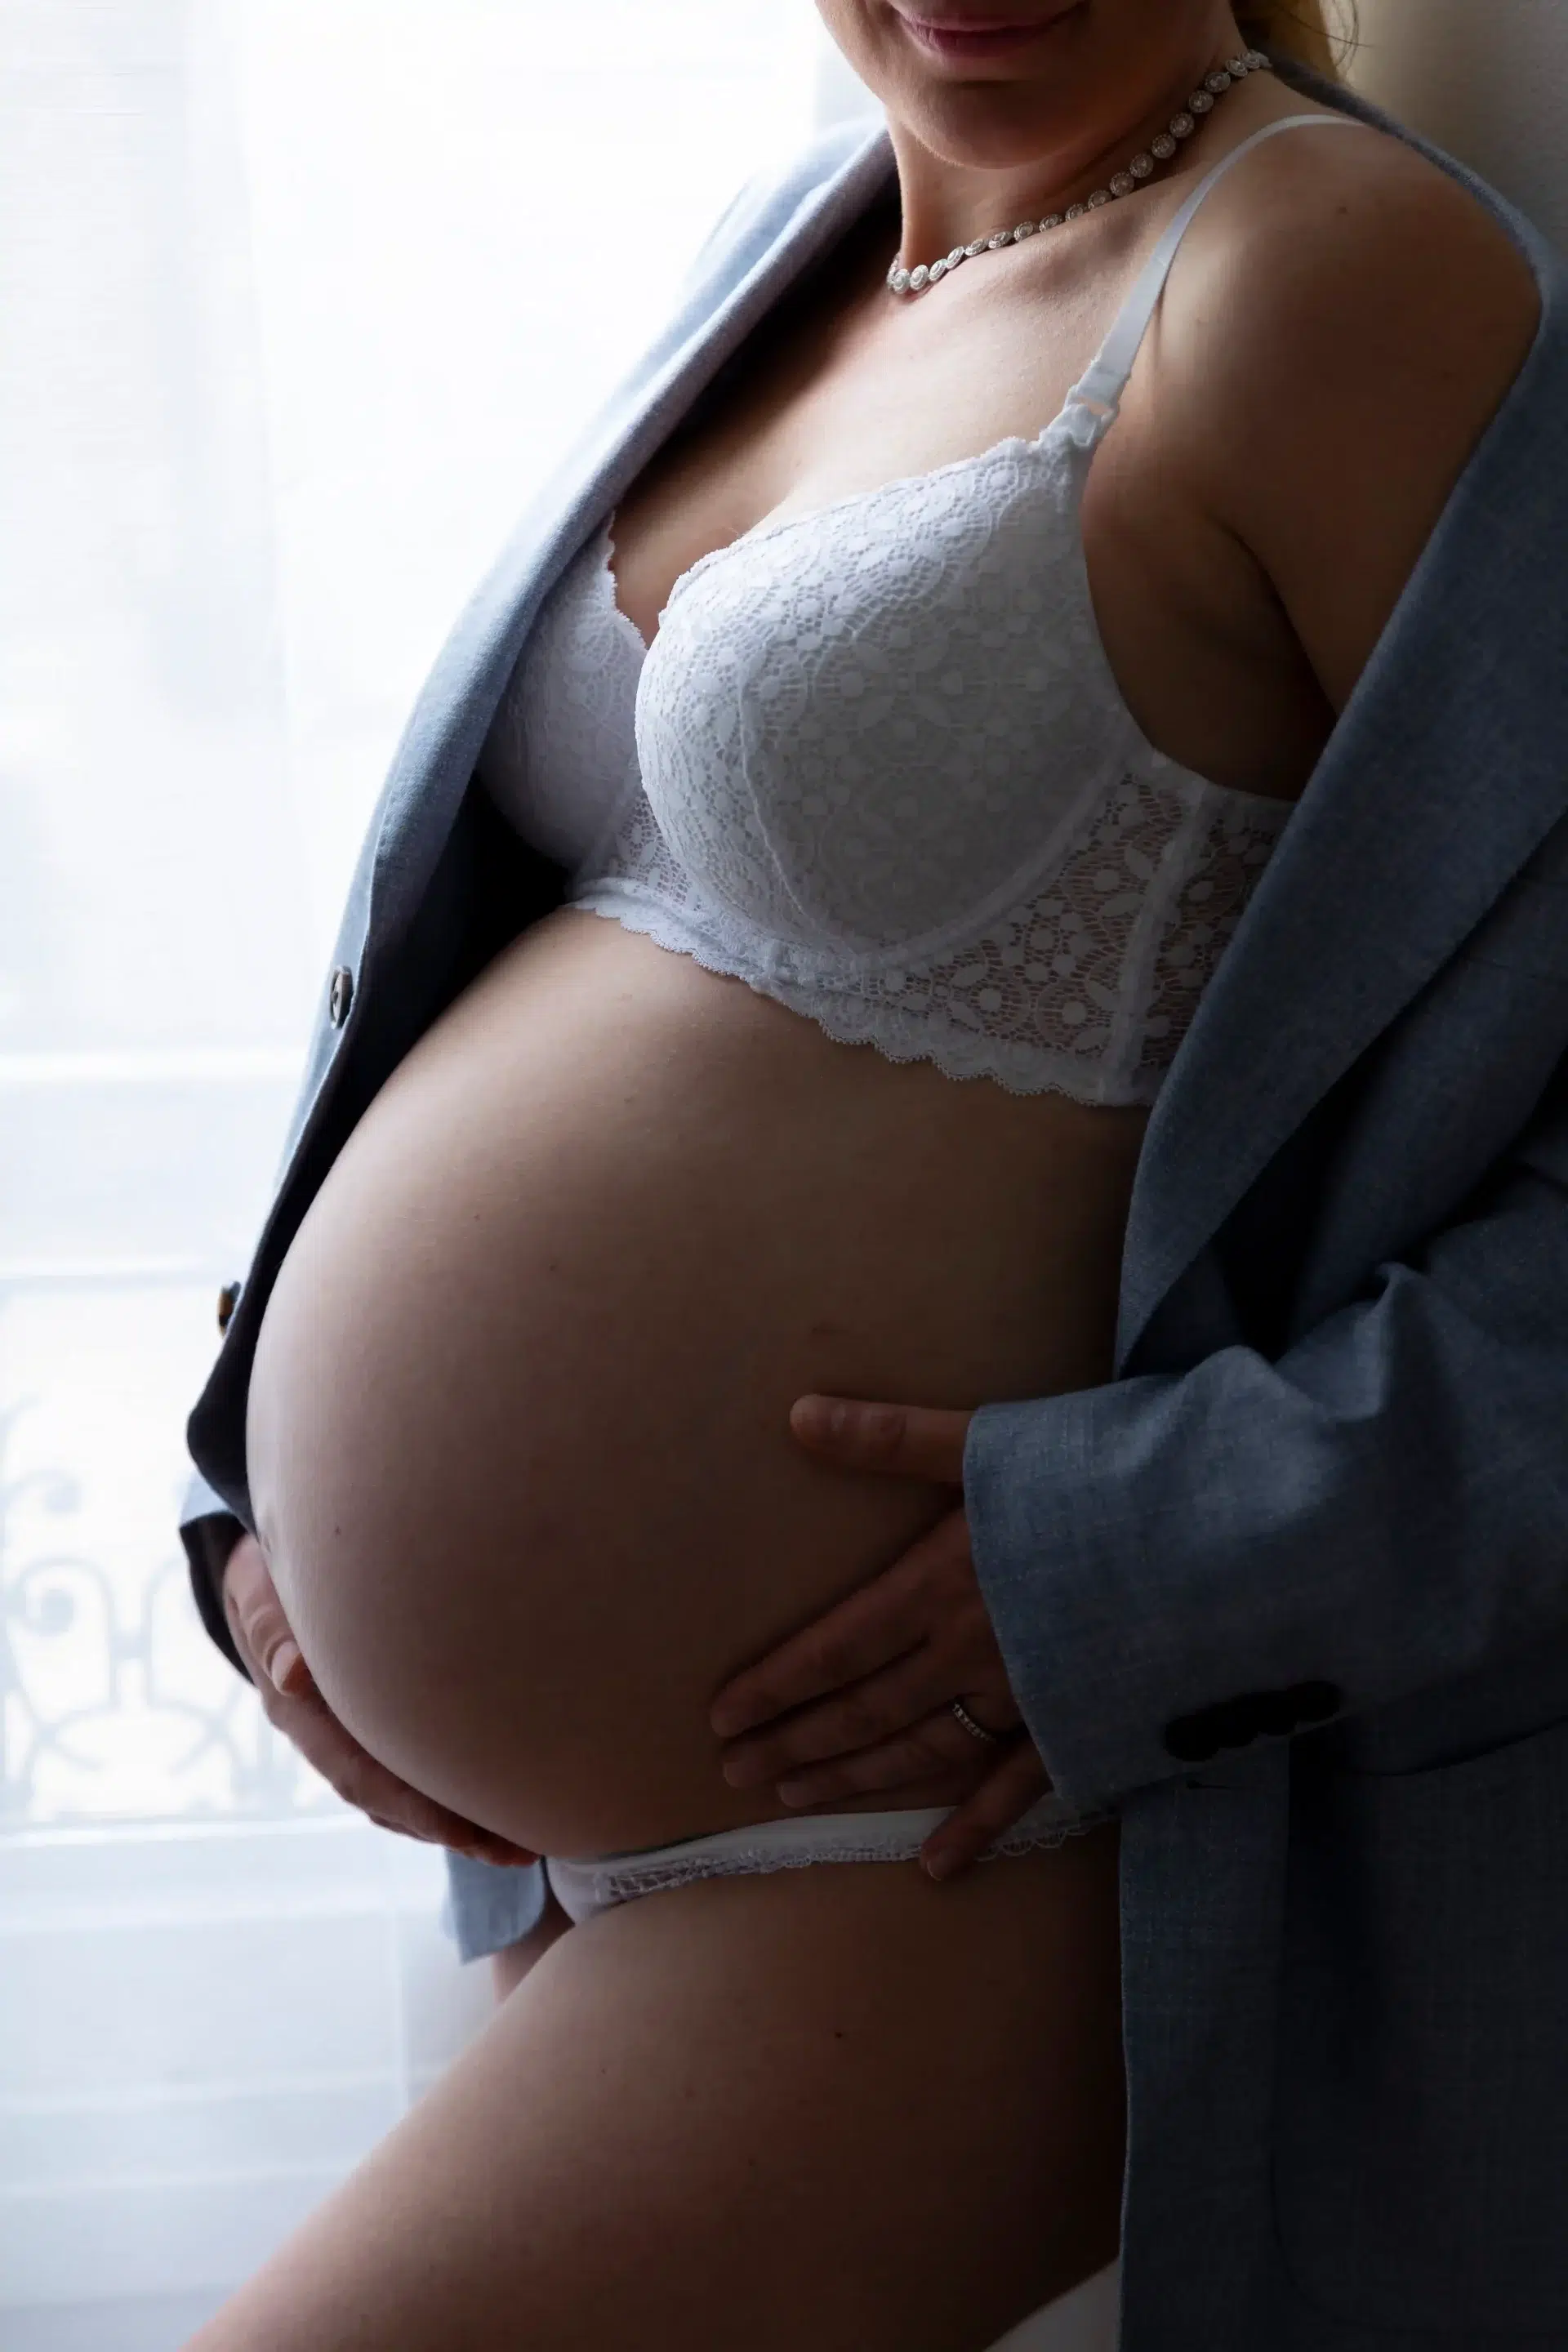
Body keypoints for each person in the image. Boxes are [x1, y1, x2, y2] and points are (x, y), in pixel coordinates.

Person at [177, 2, 1568, 2345]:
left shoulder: (1324, 275)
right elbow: (492, 965)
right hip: (575, 1865)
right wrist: (261, 1524)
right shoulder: (791, 246)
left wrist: (1150, 1560)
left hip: (938, 1850)